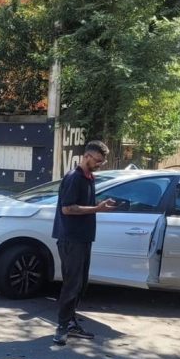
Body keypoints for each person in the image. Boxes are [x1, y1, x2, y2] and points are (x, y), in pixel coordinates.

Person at [52, 140, 117, 346]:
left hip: (83, 238)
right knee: (72, 284)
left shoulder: (89, 178)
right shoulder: (74, 178)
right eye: (97, 160)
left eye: (102, 162)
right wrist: (98, 209)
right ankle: (62, 328)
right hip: (71, 239)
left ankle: (70, 324)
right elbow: (67, 209)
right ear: (87, 156)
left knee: (80, 284)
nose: (99, 164)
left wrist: (98, 206)